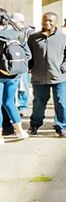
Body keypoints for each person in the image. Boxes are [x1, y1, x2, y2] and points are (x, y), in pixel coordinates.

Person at [27, 12, 66, 138]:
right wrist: (29, 67)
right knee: (38, 103)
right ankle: (34, 125)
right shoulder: (33, 38)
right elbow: (29, 55)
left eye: (50, 21)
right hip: (39, 77)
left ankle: (62, 127)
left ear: (56, 22)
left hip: (59, 77)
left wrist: (64, 68)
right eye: (45, 20)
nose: (47, 23)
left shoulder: (64, 38)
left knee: (62, 102)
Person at [0, 10, 32, 143]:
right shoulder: (18, 34)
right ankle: (19, 131)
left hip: (0, 74)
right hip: (15, 74)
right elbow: (28, 55)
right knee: (9, 102)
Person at [10, 13, 35, 114]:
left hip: (24, 62)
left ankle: (23, 105)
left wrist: (30, 63)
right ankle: (19, 104)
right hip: (19, 61)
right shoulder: (15, 32)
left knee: (23, 85)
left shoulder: (28, 32)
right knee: (19, 85)